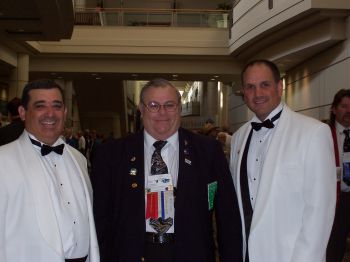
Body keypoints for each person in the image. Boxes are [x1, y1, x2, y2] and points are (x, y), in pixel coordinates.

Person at [92, 78, 242, 262]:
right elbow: (100, 219)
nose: (162, 112)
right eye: (153, 105)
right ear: (141, 108)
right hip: (130, 254)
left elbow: (227, 217)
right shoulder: (112, 154)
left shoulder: (208, 152)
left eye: (169, 105)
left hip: (191, 255)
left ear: (179, 108)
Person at [230, 59, 336, 262]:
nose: (257, 93)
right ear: (244, 92)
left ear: (279, 87)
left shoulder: (313, 133)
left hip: (290, 256)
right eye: (250, 87)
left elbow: (320, 211)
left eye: (265, 85)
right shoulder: (239, 138)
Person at [0, 79, 99, 262]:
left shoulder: (79, 159)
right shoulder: (3, 160)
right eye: (40, 106)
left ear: (65, 112)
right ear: (22, 112)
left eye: (57, 106)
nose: (50, 114)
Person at [327, 89, 350, 262]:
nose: (348, 110)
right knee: (334, 246)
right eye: (344, 106)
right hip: (335, 199)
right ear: (334, 109)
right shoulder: (323, 134)